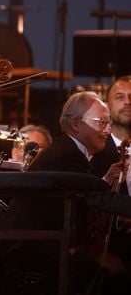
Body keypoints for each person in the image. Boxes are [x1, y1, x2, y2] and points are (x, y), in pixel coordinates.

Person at [0, 91, 129, 295]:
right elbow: (99, 199)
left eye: (108, 122)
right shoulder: (67, 155)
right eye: (101, 122)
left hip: (38, 243)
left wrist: (104, 181)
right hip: (30, 250)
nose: (108, 129)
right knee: (113, 274)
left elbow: (84, 194)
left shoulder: (67, 151)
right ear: (76, 124)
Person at [89, 76, 131, 294]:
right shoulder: (94, 153)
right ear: (107, 107)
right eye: (120, 97)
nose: (128, 102)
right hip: (106, 254)